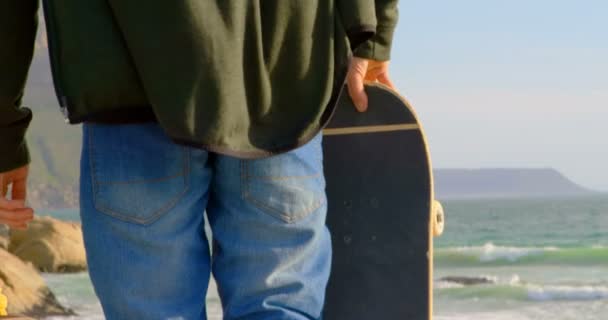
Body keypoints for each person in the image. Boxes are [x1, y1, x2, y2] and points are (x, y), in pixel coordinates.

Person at [0, 1, 398, 319]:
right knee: (278, 307)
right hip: (282, 82)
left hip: (132, 83)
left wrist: (6, 134)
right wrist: (372, 35)